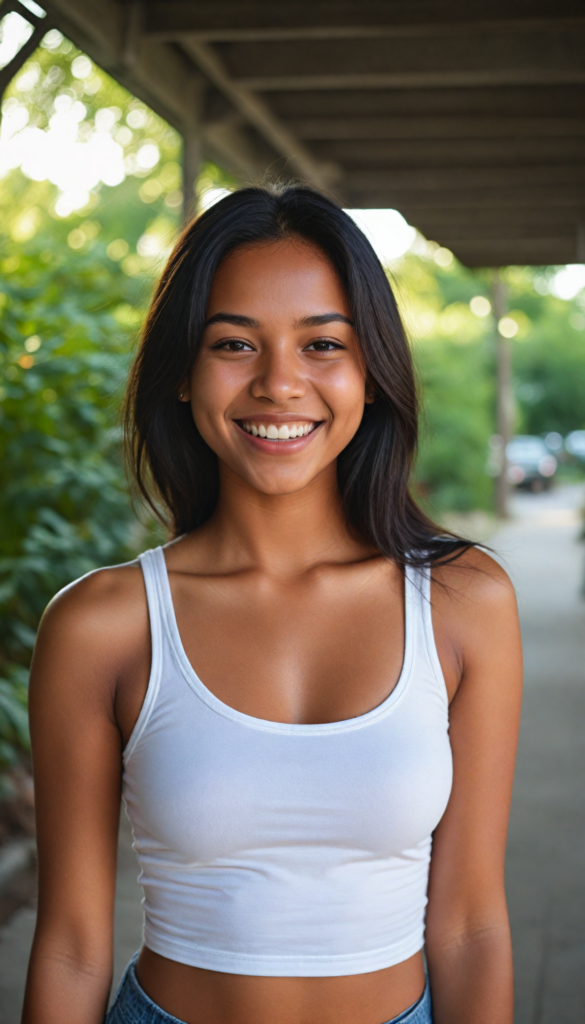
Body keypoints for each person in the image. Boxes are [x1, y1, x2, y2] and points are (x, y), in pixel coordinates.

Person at [22, 184, 522, 1024]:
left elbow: (471, 925)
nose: (280, 383)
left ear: (371, 372)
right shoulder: (103, 625)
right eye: (233, 344)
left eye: (322, 343)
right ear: (182, 373)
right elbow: (72, 941)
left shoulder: (463, 601)